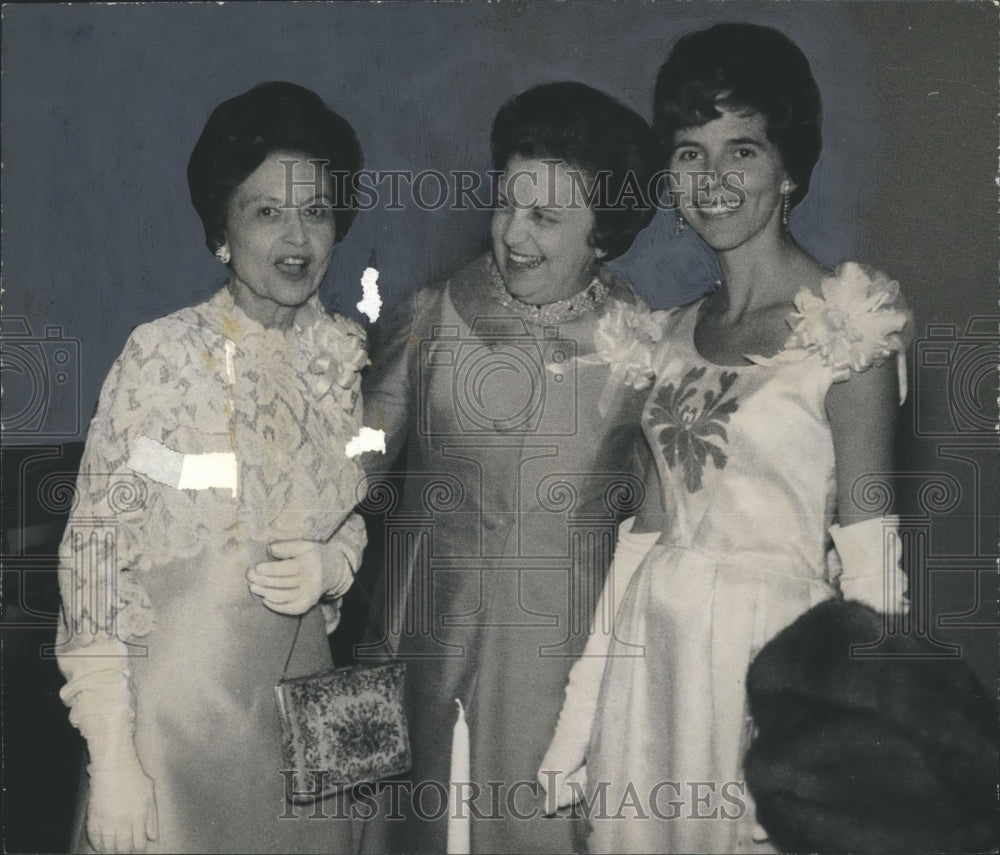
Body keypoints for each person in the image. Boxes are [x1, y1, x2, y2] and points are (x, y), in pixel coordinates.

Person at [540, 23, 913, 854]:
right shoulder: (665, 336)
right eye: (689, 153)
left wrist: (852, 751)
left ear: (789, 168)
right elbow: (639, 546)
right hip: (654, 666)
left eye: (741, 150)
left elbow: (873, 570)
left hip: (773, 672)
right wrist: (578, 722)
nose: (712, 180)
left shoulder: (846, 329)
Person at [55, 81, 369, 854]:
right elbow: (93, 559)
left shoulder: (341, 356)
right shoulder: (161, 355)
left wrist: (335, 562)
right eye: (266, 212)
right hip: (177, 734)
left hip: (309, 723)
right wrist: (113, 757)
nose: (296, 236)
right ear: (221, 230)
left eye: (316, 210)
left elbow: (350, 508)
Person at [359, 81, 661, 853]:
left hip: (557, 685)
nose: (513, 235)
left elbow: (665, 524)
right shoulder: (435, 311)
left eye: (546, 218)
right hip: (417, 655)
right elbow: (348, 463)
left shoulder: (645, 353)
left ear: (604, 234)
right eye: (506, 204)